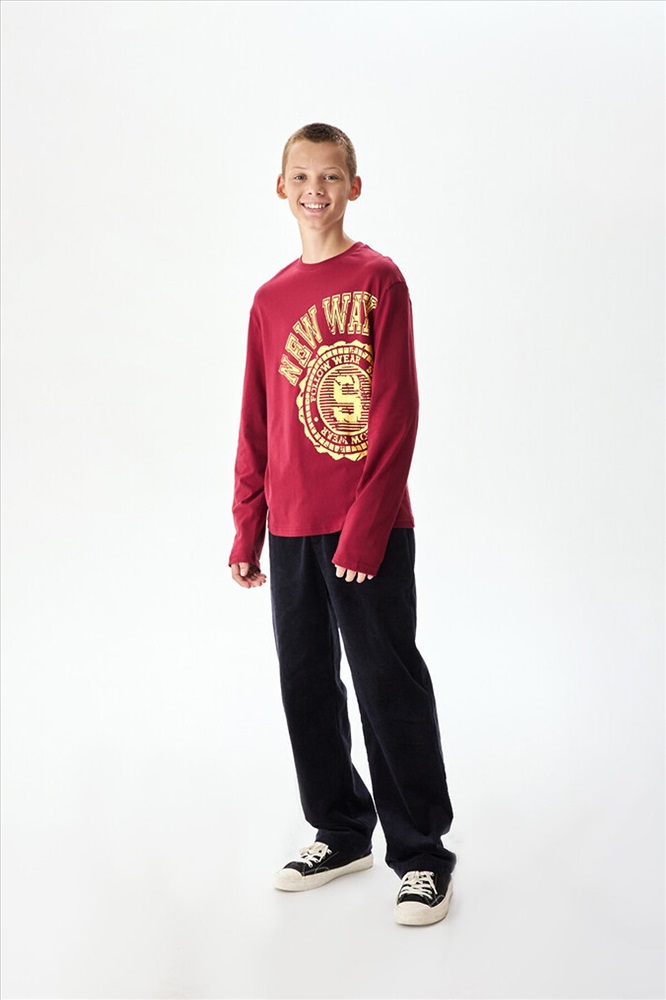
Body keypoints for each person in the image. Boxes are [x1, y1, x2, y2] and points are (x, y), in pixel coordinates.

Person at [229, 123, 457, 926]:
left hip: (369, 526)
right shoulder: (270, 298)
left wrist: (365, 527)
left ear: (354, 187)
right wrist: (247, 524)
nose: (315, 190)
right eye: (301, 176)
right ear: (281, 187)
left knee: (387, 685)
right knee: (305, 685)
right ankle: (340, 829)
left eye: (330, 176)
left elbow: (396, 411)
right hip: (291, 528)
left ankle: (422, 855)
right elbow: (256, 421)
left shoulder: (378, 279)